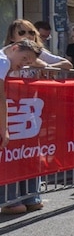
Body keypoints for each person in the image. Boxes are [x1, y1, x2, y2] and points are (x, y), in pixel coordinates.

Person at [1, 38, 47, 216]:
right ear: (14, 48)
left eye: (29, 61)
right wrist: (4, 128)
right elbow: (0, 97)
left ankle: (16, 199)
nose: (24, 64)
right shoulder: (3, 61)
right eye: (24, 58)